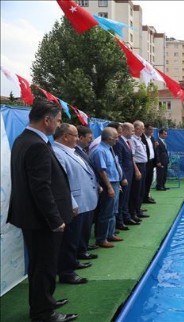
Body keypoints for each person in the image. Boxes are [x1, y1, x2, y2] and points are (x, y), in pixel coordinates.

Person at [7, 98, 78, 322]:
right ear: (46, 120)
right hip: (42, 220)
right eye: (57, 121)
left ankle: (45, 300)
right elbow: (41, 187)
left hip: (34, 218)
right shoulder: (36, 144)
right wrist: (55, 219)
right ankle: (43, 313)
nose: (58, 125)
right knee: (44, 266)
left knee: (42, 264)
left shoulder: (25, 139)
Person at [52, 124, 99, 285]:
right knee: (69, 239)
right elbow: (61, 183)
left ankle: (73, 262)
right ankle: (66, 272)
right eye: (75, 135)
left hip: (85, 199)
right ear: (65, 136)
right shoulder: (57, 153)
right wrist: (71, 203)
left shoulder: (72, 151)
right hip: (74, 203)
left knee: (77, 236)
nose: (78, 138)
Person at [90, 127, 125, 248]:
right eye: (116, 137)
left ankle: (110, 233)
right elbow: (102, 171)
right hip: (107, 185)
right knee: (106, 212)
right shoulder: (100, 151)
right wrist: (109, 187)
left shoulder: (109, 149)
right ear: (109, 138)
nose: (117, 139)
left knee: (112, 211)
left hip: (114, 183)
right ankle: (101, 238)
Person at [75, 125, 101, 259]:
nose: (90, 141)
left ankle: (83, 248)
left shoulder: (82, 151)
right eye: (88, 138)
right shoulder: (75, 152)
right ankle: (80, 251)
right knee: (80, 226)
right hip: (80, 196)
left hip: (89, 192)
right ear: (80, 138)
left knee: (86, 225)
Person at [113, 122, 140, 228]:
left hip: (129, 174)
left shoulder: (127, 142)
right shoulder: (119, 143)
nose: (133, 132)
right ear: (124, 130)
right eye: (131, 130)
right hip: (124, 175)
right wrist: (122, 177)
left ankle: (126, 217)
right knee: (122, 199)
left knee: (126, 198)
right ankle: (120, 222)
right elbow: (119, 162)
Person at [129, 120, 149, 220]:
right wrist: (136, 170)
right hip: (138, 166)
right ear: (136, 129)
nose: (143, 130)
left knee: (141, 189)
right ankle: (133, 212)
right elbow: (132, 156)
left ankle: (138, 209)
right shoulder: (132, 140)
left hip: (143, 165)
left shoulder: (139, 139)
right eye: (142, 128)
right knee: (136, 191)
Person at [141, 124, 157, 204]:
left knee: (149, 181)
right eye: (150, 129)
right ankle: (142, 198)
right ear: (145, 129)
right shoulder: (141, 138)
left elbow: (154, 151)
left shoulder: (152, 139)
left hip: (151, 162)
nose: (152, 131)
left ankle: (146, 197)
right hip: (144, 163)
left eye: (152, 130)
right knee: (143, 181)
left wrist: (156, 161)